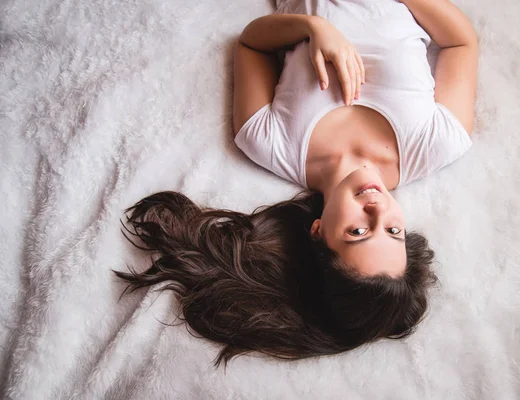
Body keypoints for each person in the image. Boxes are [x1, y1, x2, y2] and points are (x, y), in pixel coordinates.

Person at [115, 0, 477, 367]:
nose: (377, 208)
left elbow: (251, 43)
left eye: (358, 231)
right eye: (393, 229)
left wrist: (311, 28)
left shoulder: (269, 142)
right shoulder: (437, 144)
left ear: (317, 231)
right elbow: (460, 42)